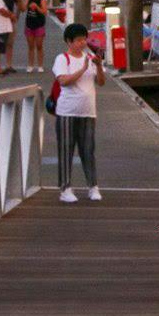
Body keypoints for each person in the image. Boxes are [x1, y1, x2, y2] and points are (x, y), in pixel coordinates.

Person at [52, 22, 106, 203]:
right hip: (67, 111)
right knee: (66, 150)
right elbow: (63, 81)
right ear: (69, 41)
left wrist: (98, 66)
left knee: (88, 150)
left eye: (84, 39)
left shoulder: (90, 58)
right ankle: (65, 188)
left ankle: (93, 186)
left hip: (88, 112)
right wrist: (82, 69)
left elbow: (101, 82)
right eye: (78, 40)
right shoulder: (62, 59)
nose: (82, 43)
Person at [24, 0, 48, 72]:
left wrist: (37, 7)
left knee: (39, 46)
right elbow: (24, 8)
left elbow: (44, 12)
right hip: (29, 24)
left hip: (39, 25)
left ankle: (40, 65)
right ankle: (30, 65)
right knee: (30, 46)